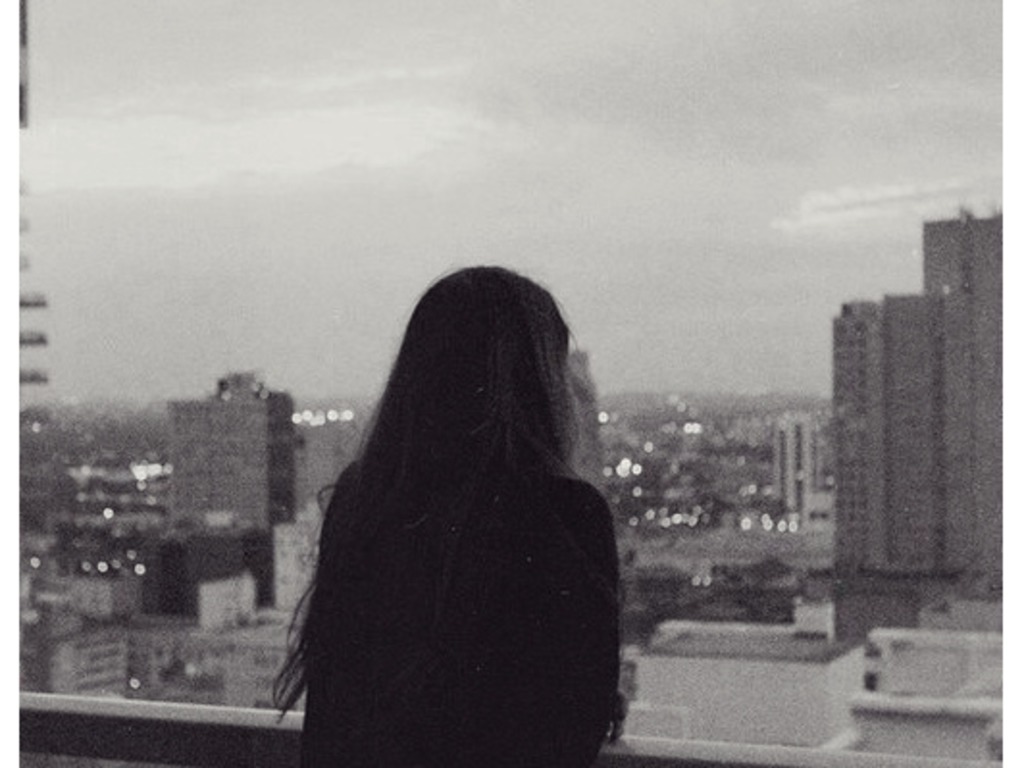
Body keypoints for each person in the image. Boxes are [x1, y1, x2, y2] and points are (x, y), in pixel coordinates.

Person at [275, 266, 622, 767]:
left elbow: (340, 695)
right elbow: (571, 723)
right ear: (536, 383)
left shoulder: (363, 496)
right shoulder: (565, 512)